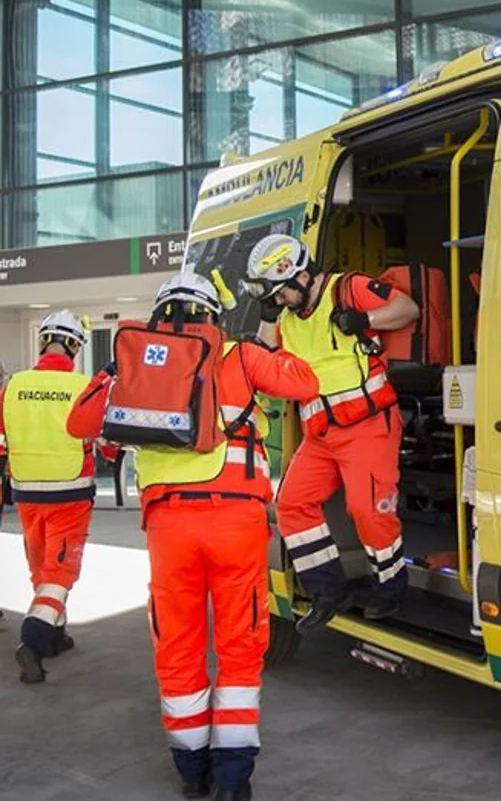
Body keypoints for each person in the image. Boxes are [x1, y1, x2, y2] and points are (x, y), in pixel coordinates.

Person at [68, 272, 318, 801]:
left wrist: (114, 367)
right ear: (213, 316)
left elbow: (79, 424)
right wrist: (264, 341)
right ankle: (232, 780)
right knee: (239, 645)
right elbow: (305, 384)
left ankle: (191, 772)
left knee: (178, 646)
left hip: (167, 528)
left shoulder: (134, 366)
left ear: (160, 316)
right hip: (236, 524)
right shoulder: (238, 357)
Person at [243, 234, 418, 631]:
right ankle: (328, 589)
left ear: (300, 276)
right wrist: (268, 317)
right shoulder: (287, 319)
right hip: (321, 434)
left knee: (368, 509)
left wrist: (366, 320)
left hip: (368, 427)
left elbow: (408, 308)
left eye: (280, 295)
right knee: (290, 504)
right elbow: (264, 363)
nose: (281, 302)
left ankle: (390, 585)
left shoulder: (348, 289)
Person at [0, 310, 94, 684]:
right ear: (74, 346)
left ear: (43, 342)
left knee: (41, 565)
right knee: (60, 571)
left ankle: (56, 633)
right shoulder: (83, 387)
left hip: (26, 491)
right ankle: (34, 640)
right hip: (70, 491)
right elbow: (98, 435)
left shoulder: (14, 387)